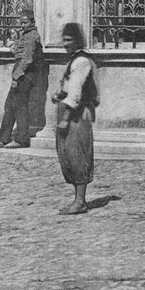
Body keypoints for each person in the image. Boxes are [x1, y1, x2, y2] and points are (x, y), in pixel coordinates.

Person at [52, 22, 98, 214]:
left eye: (69, 39)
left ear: (77, 40)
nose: (66, 43)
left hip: (76, 115)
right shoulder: (73, 60)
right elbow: (69, 88)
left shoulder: (81, 61)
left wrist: (66, 118)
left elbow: (77, 93)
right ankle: (78, 200)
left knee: (77, 154)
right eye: (64, 39)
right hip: (69, 112)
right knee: (68, 155)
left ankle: (80, 201)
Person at [0, 1, 43, 148]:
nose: (22, 25)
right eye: (21, 22)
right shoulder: (26, 35)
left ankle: (21, 139)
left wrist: (17, 77)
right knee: (10, 105)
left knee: (19, 105)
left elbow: (27, 59)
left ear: (32, 22)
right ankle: (2, 138)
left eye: (25, 22)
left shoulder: (32, 36)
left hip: (25, 73)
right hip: (21, 71)